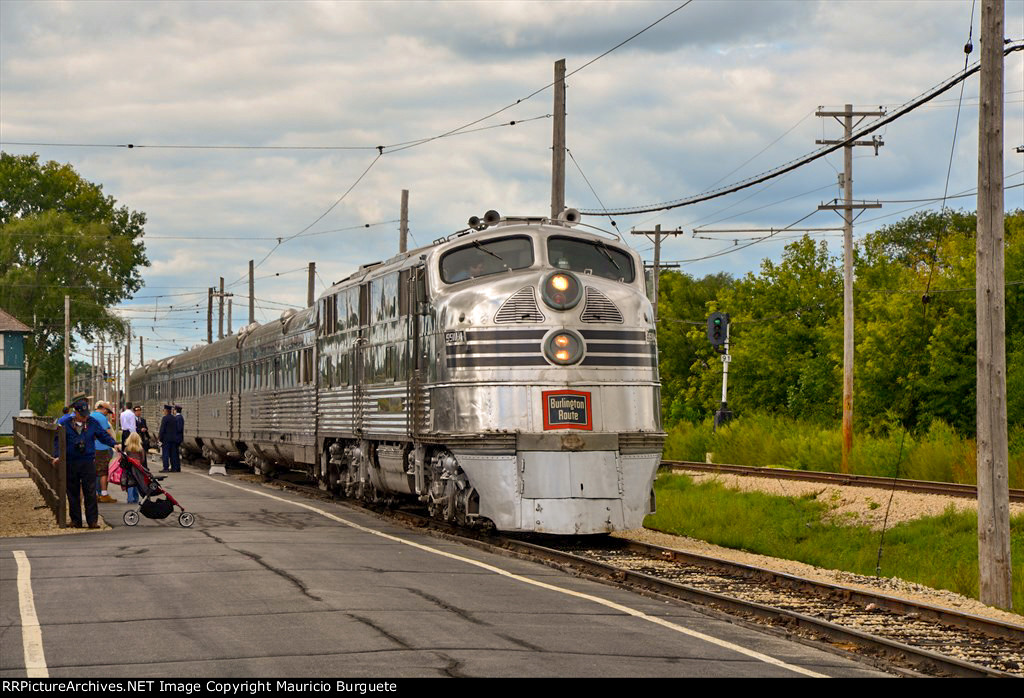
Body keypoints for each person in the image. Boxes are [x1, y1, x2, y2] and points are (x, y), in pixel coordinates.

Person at [53, 395, 121, 529]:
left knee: (90, 491)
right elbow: (57, 441)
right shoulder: (65, 423)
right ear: (76, 412)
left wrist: (114, 444)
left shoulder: (92, 422)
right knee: (72, 492)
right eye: (82, 415)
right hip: (71, 461)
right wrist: (57, 456)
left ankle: (92, 521)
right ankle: (76, 520)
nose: (85, 417)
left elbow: (102, 434)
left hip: (87, 461)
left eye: (86, 414)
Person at [91, 401, 118, 503]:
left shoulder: (91, 415)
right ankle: (104, 494)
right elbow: (106, 433)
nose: (108, 414)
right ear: (104, 409)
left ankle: (95, 494)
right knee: (103, 472)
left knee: (94, 471)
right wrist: (114, 444)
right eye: (108, 412)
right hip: (102, 448)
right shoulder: (102, 418)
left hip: (92, 447)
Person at [122, 431, 145, 504]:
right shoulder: (140, 449)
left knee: (130, 483)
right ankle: (136, 498)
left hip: (129, 468)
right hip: (138, 468)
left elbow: (123, 458)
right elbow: (143, 459)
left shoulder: (127, 448)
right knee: (137, 482)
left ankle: (130, 498)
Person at [158, 405, 181, 473]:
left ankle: (166, 468)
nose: (163, 412)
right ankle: (174, 468)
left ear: (166, 411)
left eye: (164, 410)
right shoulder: (174, 418)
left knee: (165, 454)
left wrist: (160, 438)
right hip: (173, 439)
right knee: (173, 454)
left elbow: (162, 429)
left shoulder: (165, 418)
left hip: (166, 440)